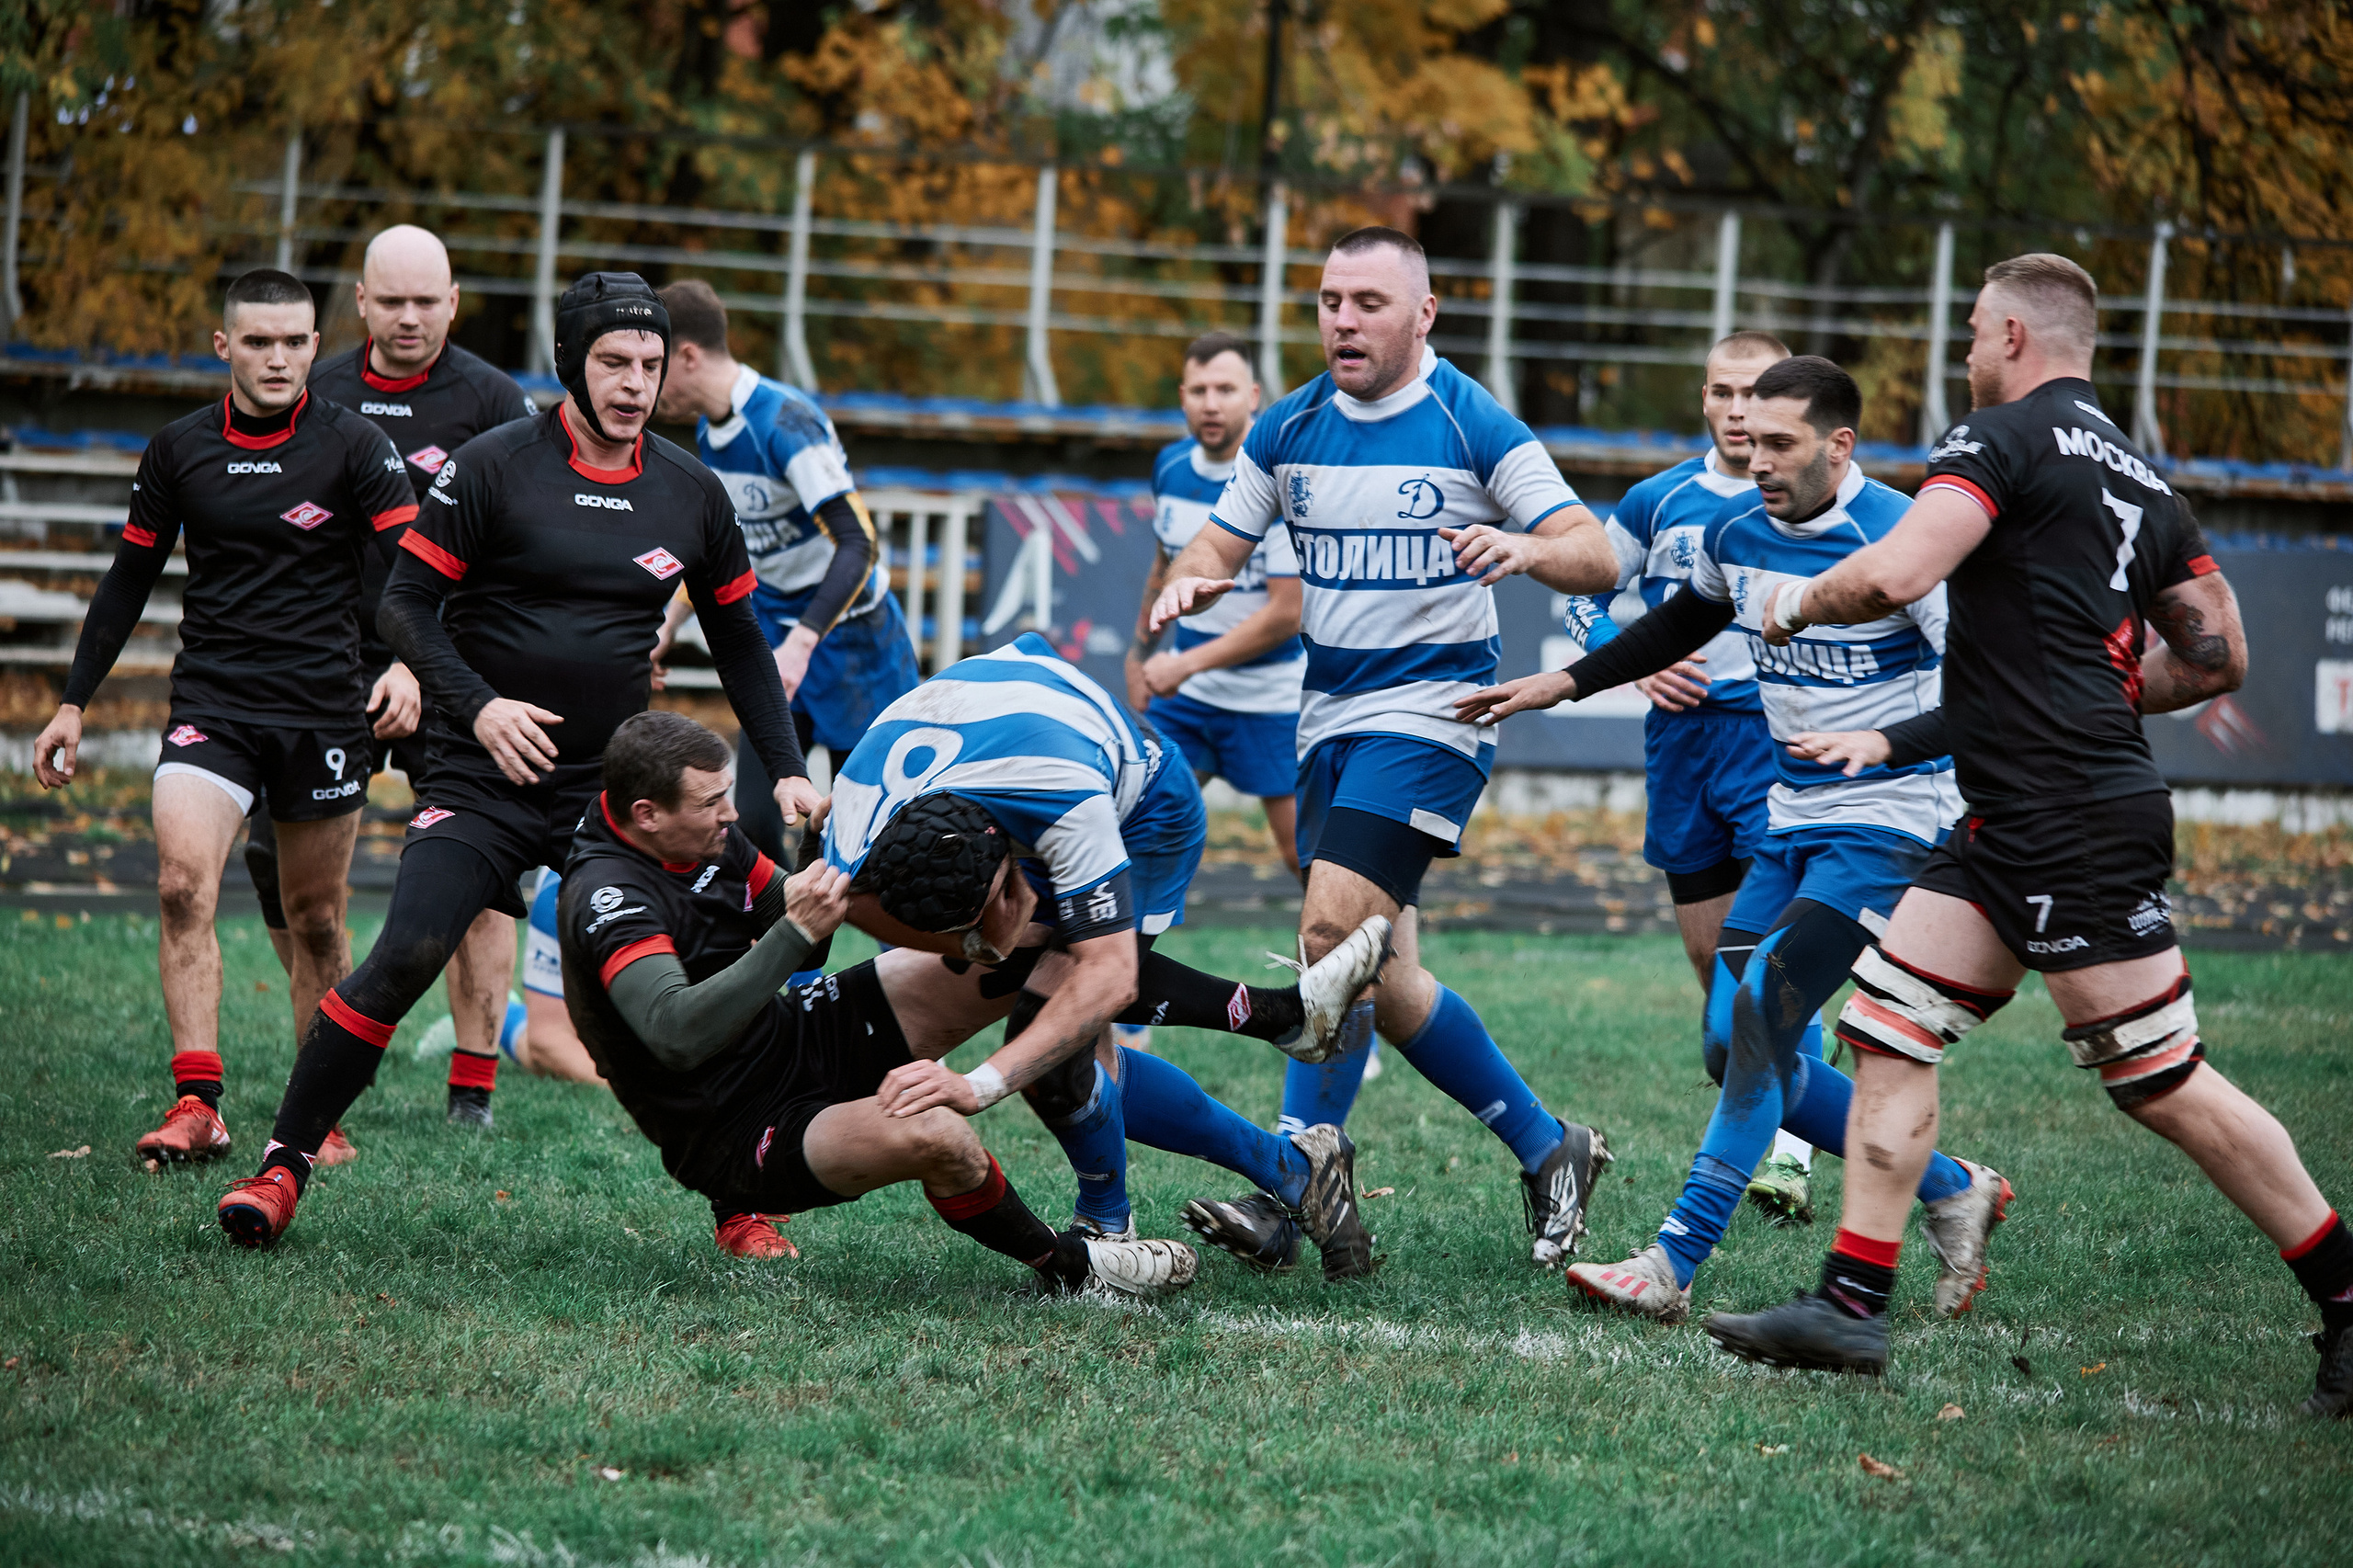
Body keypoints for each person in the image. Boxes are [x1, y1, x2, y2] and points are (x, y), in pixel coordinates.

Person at [1698, 256, 2353, 1415]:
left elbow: (1897, 570)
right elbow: (2216, 656)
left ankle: (2350, 1295)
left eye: (1967, 331)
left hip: (2068, 817)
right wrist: (2088, 694)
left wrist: (1788, 602)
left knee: (2160, 1080)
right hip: (2009, 816)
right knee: (1890, 1027)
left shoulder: (1994, 439)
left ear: (2008, 332)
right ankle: (1849, 1304)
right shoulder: (2146, 482)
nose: (1962, 351)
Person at [216, 270, 820, 1246]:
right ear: (570, 364)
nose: (634, 383)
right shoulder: (493, 465)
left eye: (652, 365)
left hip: (616, 800)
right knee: (406, 950)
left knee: (697, 979)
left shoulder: (690, 490)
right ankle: (281, 1168)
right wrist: (481, 706)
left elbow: (742, 640)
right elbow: (403, 605)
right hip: (481, 777)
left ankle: (739, 1202)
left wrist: (788, 763)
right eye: (614, 362)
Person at [1460, 356, 2009, 1326]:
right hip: (1793, 820)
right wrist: (1560, 682)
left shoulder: (1902, 539)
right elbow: (1683, 618)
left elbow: (1988, 693)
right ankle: (1953, 1184)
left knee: (1759, 1020)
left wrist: (1881, 742)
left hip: (1887, 828)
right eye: (1751, 442)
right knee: (1730, 1042)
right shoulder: (1734, 528)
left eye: (1782, 444)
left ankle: (1671, 1259)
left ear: (1841, 445)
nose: (1758, 461)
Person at [1148, 225, 1620, 1271]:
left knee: (1328, 933)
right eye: (1328, 301)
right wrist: (1195, 575)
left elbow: (1589, 553)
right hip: (1328, 719)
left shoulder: (1467, 417)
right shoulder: (1290, 426)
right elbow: (1219, 540)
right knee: (1374, 972)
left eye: (1367, 301)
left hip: (1434, 715)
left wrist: (1529, 545)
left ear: (1424, 314)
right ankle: (1551, 1147)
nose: (1343, 321)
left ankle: (1289, 1177)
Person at [549, 710, 1196, 1290]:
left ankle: (1270, 1027)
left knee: (1021, 948)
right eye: (711, 802)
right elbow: (677, 1033)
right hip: (728, 1129)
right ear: (646, 815)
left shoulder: (702, 838)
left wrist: (823, 854)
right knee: (940, 1136)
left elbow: (806, 945)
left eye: (727, 794)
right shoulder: (609, 896)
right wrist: (798, 925)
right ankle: (1074, 1269)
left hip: (790, 1039)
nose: (731, 814)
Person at [822, 632, 1392, 1279]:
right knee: (1053, 1012)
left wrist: (978, 1084)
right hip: (1004, 753)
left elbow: (1112, 977)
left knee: (1050, 1039)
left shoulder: (1063, 802)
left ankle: (1107, 1227)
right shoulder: (853, 820)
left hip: (1148, 806)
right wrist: (982, 941)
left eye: (997, 912)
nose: (987, 949)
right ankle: (1294, 1149)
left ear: (1014, 861)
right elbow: (846, 902)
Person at [30, 268, 417, 1167]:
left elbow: (418, 566)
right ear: (225, 346)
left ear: (315, 346)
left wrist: (408, 663)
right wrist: (73, 701)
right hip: (214, 702)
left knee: (315, 917)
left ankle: (314, 1112)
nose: (276, 357)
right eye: (257, 341)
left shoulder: (355, 445)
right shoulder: (177, 449)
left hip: (323, 708)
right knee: (180, 886)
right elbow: (129, 576)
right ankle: (198, 1102)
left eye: (293, 341)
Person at [258, 223, 541, 1115]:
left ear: (455, 301)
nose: (411, 317)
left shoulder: (498, 402)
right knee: (278, 864)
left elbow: (513, 554)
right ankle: (334, 1039)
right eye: (393, 301)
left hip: (456, 662)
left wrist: (424, 658)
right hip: (326, 663)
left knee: (481, 857)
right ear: (361, 305)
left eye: (429, 300)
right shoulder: (318, 390)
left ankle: (472, 1084)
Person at [1560, 330, 1823, 1223]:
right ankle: (1779, 1106)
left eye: (1756, 391)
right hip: (1678, 749)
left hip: (1773, 746)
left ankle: (1787, 1150)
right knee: (1715, 961)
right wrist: (1626, 660)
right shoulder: (1657, 498)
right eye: (1722, 391)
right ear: (1703, 400)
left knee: (1777, 958)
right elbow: (1580, 594)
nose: (1739, 409)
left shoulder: (1804, 500)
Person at [651, 278, 922, 861]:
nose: (645, 383)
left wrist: (803, 641)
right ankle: (790, 954)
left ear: (690, 356)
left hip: (855, 645)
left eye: (656, 363)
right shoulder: (710, 428)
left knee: (878, 828)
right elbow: (720, 545)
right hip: (774, 640)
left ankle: (902, 954)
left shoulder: (785, 424)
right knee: (751, 816)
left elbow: (859, 544)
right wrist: (668, 623)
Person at [1127, 331, 1304, 874]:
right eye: (1199, 390)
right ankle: (1112, 961)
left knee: (1305, 857)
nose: (1211, 403)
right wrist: (1139, 653)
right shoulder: (1171, 467)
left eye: (1225, 389)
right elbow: (1163, 566)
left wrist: (1183, 663)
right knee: (1136, 837)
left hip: (1270, 698)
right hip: (1188, 697)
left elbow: (1285, 614)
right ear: (1182, 396)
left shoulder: (1277, 476)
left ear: (1253, 396)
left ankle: (1363, 962)